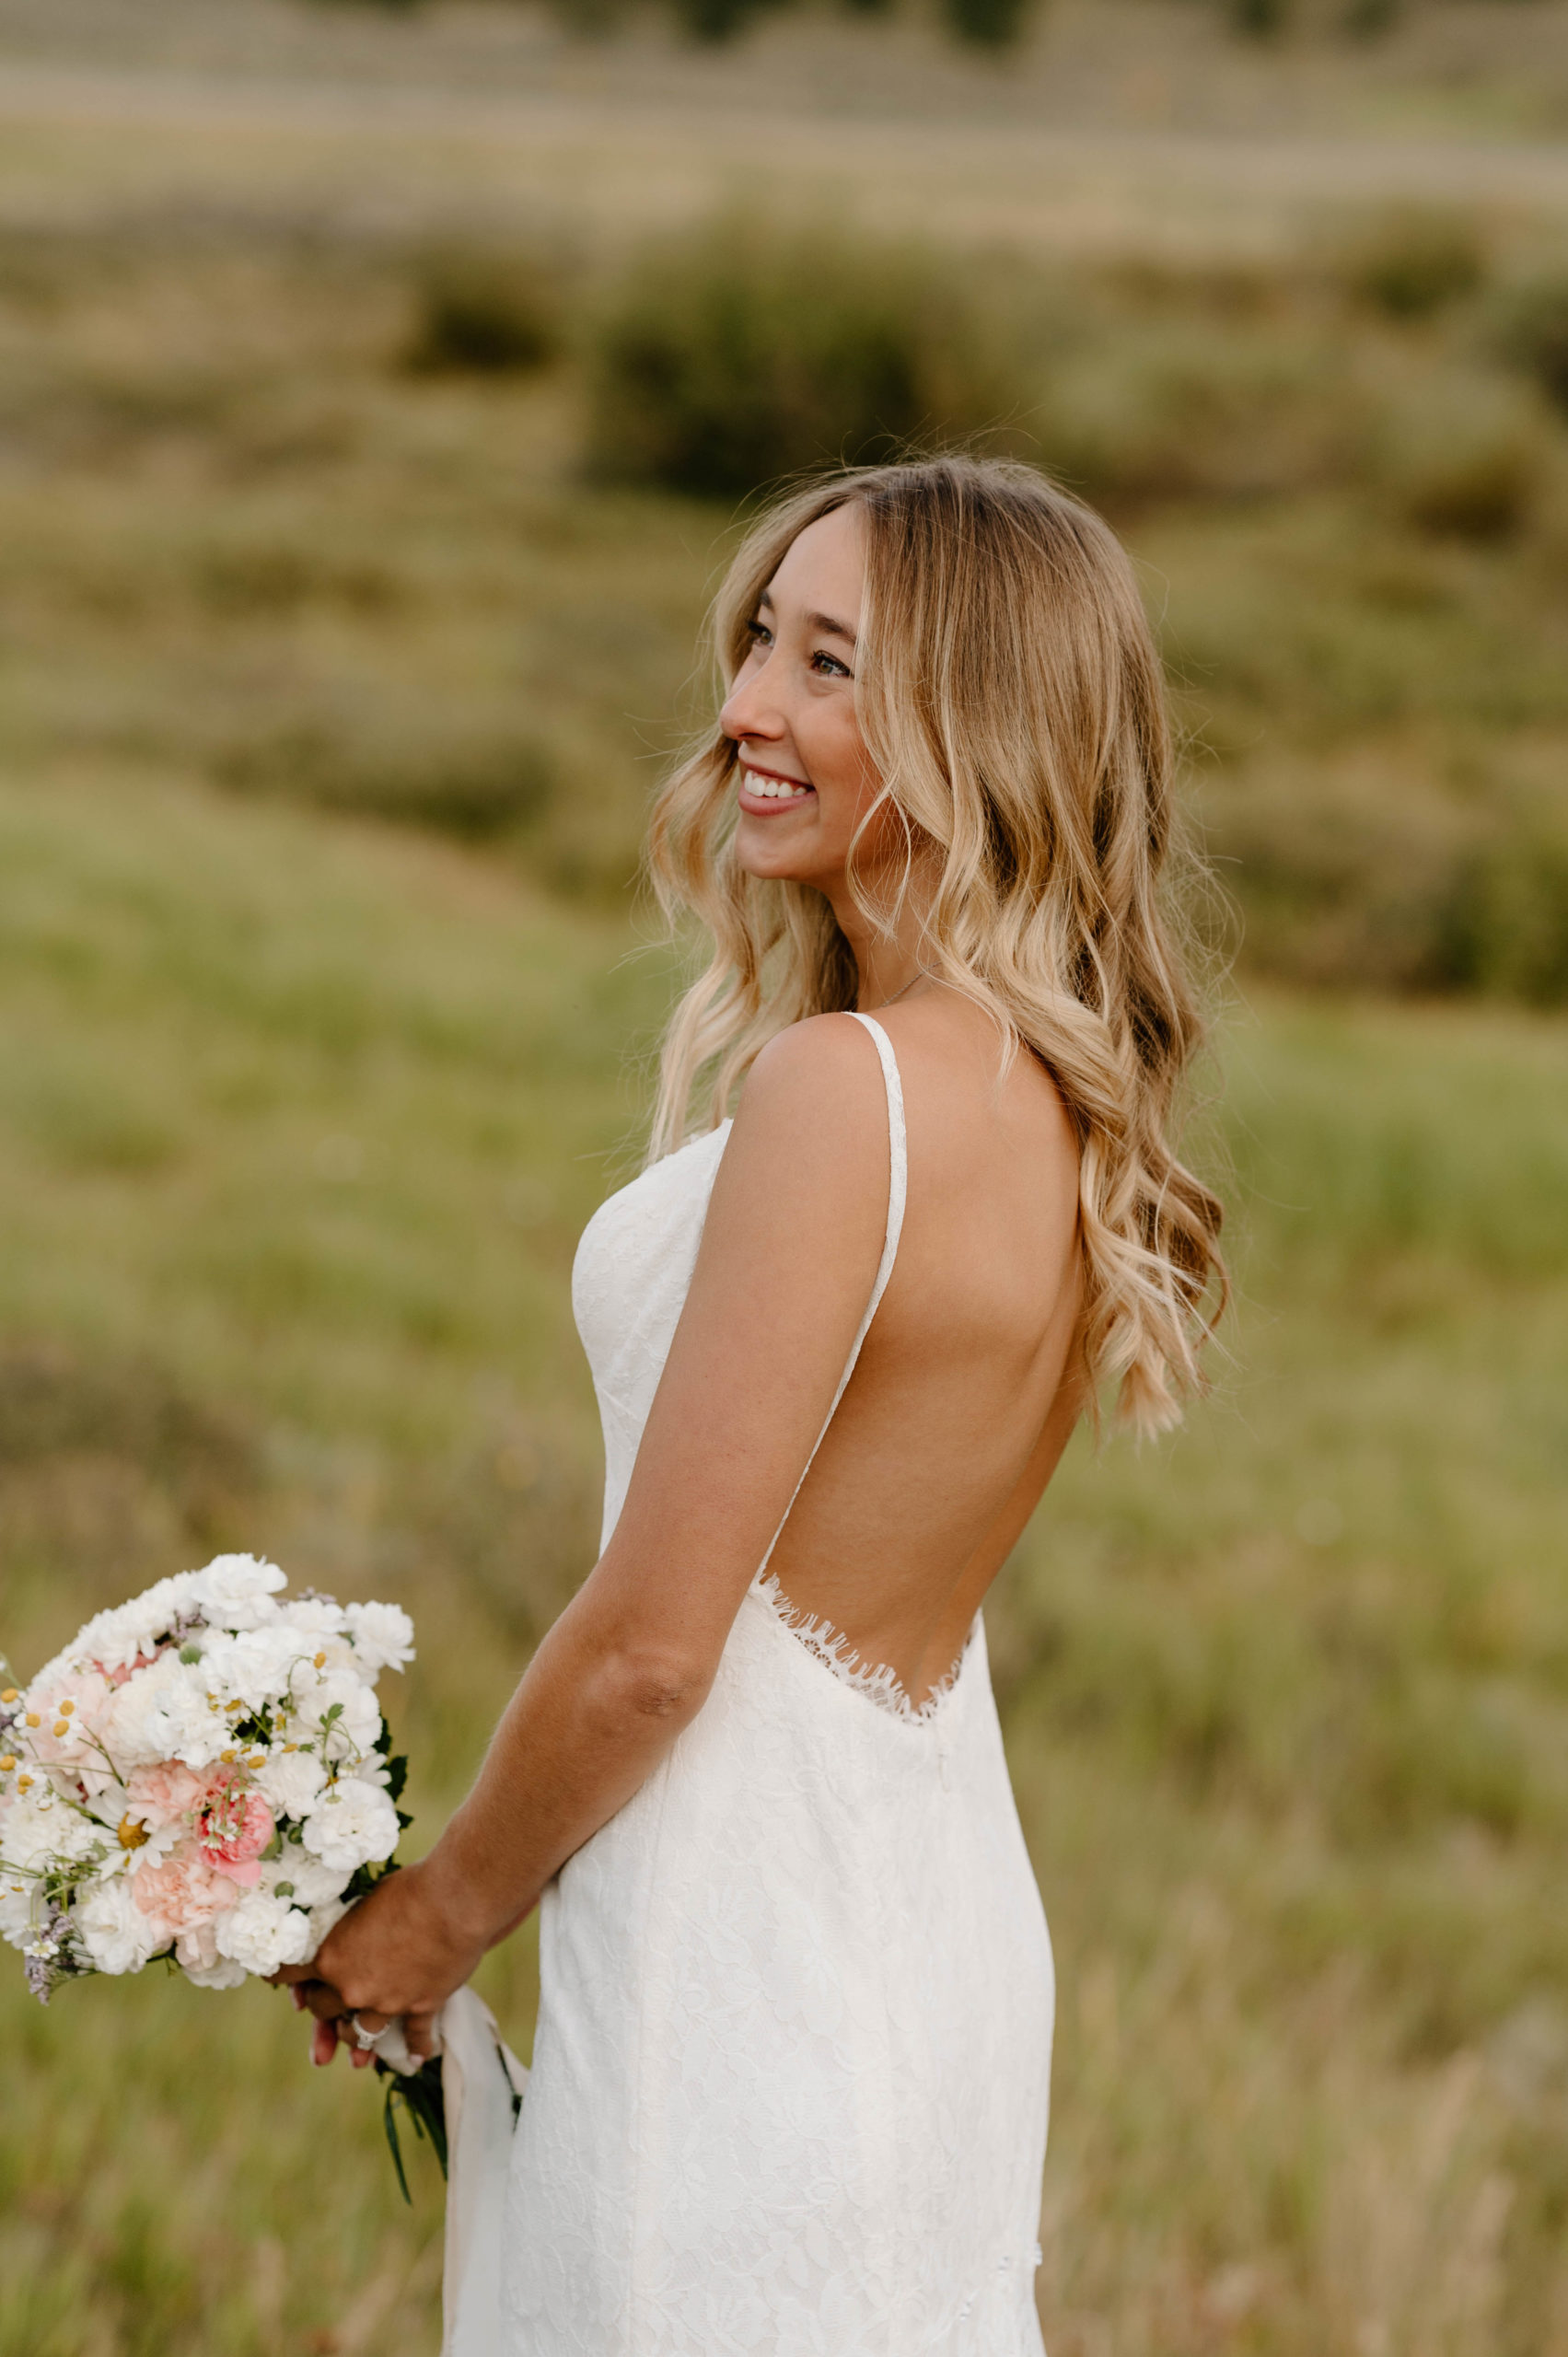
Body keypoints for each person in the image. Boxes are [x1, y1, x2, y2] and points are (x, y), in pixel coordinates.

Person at [278, 455, 1226, 2353]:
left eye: (829, 665)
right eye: (758, 647)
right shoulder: (1052, 1101)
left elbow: (650, 1648)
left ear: (982, 723)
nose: (744, 711)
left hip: (738, 1941)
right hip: (932, 1916)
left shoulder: (841, 1094)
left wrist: (440, 1911)